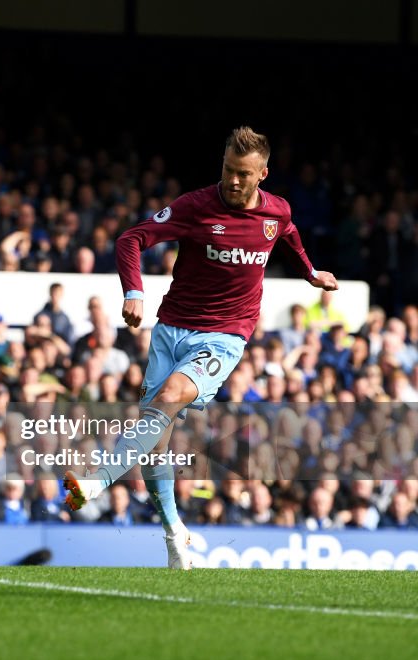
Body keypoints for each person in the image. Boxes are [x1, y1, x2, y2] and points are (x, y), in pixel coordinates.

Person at [64, 127, 338, 570]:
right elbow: (130, 239)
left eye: (243, 174)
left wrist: (309, 273)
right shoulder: (195, 207)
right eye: (228, 170)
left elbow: (288, 235)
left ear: (262, 174)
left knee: (169, 397)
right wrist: (133, 290)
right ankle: (175, 534)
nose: (232, 180)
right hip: (170, 329)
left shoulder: (275, 212)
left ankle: (97, 481)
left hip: (226, 334)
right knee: (156, 442)